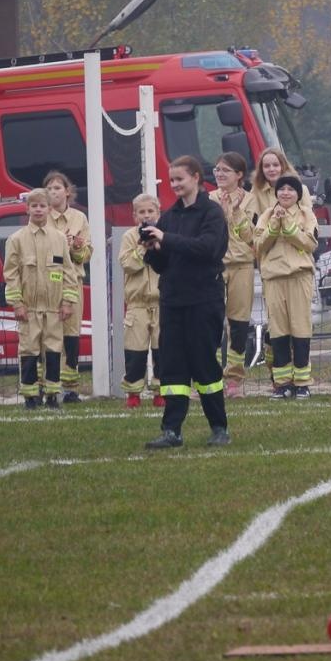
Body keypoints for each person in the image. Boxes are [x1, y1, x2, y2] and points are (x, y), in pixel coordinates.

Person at [141, 155, 231, 449]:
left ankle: (219, 427)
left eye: (179, 179)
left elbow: (207, 250)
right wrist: (153, 249)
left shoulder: (212, 213)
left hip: (204, 299)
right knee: (173, 368)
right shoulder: (170, 216)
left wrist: (166, 237)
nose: (174, 185)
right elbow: (164, 264)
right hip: (173, 300)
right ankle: (172, 430)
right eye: (171, 180)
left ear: (195, 177)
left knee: (205, 364)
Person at [3, 188, 80, 410]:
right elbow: (11, 274)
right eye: (34, 205)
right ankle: (29, 396)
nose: (38, 209)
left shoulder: (59, 239)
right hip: (29, 310)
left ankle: (53, 395)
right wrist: (17, 304)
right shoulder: (16, 239)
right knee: (28, 351)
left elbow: (68, 272)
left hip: (54, 309)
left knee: (54, 350)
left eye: (42, 205)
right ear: (27, 208)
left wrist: (67, 302)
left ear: (49, 209)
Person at [253, 173, 319, 399]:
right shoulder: (266, 215)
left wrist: (288, 224)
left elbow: (309, 243)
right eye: (282, 189)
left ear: (298, 194)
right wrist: (274, 224)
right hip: (273, 278)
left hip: (299, 277)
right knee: (279, 330)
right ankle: (282, 384)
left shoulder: (306, 214)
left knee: (300, 328)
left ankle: (302, 383)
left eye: (291, 189)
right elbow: (259, 245)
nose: (286, 193)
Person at [42, 171, 92, 403]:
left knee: (71, 335)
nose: (53, 192)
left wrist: (77, 246)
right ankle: (47, 386)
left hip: (73, 281)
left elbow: (85, 255)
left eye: (57, 188)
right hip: (48, 282)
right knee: (49, 335)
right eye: (49, 188)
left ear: (67, 192)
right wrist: (59, 243)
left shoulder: (79, 218)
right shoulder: (41, 217)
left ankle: (71, 387)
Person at [214, 151, 256, 397]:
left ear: (239, 175)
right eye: (217, 169)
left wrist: (236, 211)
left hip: (242, 266)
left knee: (238, 323)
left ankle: (234, 380)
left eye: (225, 170)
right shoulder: (208, 198)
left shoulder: (252, 201)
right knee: (210, 322)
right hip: (215, 267)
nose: (219, 174)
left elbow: (253, 236)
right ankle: (208, 377)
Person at [118, 193, 164, 409]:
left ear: (158, 212)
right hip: (137, 304)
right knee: (135, 351)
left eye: (150, 211)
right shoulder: (129, 237)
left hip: (161, 303)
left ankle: (160, 391)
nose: (146, 216)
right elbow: (127, 264)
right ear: (135, 215)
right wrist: (142, 247)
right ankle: (133, 393)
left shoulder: (164, 234)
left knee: (162, 350)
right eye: (142, 212)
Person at [249, 147, 314, 217]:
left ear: (283, 167)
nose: (271, 169)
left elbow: (311, 221)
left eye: (276, 165)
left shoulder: (302, 189)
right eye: (266, 166)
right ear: (261, 170)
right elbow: (251, 220)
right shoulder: (256, 190)